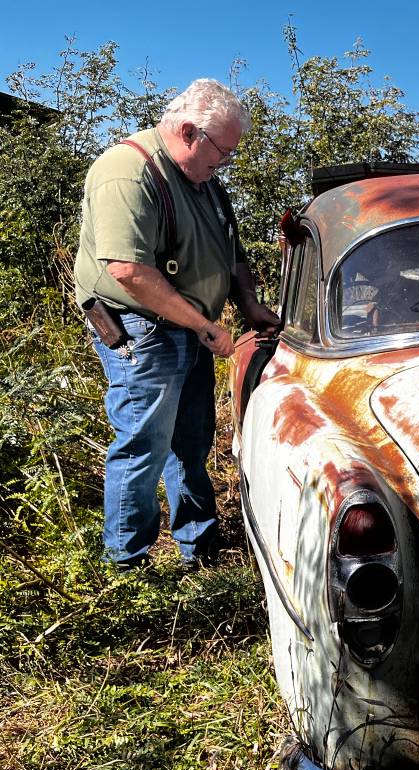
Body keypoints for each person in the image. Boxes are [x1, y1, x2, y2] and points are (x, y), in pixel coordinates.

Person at [74, 78, 280, 569]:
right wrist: (205, 326)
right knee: (143, 445)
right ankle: (127, 564)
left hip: (188, 326)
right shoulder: (127, 170)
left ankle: (199, 546)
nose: (224, 163)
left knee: (191, 441)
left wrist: (248, 303)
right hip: (142, 331)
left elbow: (232, 251)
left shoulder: (203, 182)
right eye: (223, 152)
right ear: (189, 132)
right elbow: (129, 270)